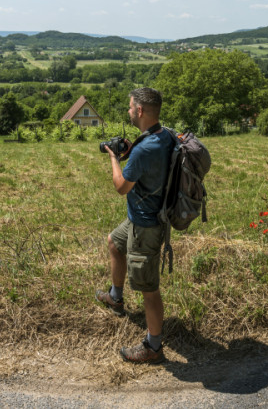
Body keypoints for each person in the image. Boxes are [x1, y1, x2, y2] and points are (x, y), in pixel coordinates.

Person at [95, 87, 176, 364]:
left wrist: (114, 157)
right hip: (137, 218)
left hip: (147, 227)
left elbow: (121, 186)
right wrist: (132, 150)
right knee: (114, 243)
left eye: (130, 107)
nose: (129, 111)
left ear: (139, 111)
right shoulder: (162, 135)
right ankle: (116, 298)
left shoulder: (145, 149)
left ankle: (153, 347)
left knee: (148, 288)